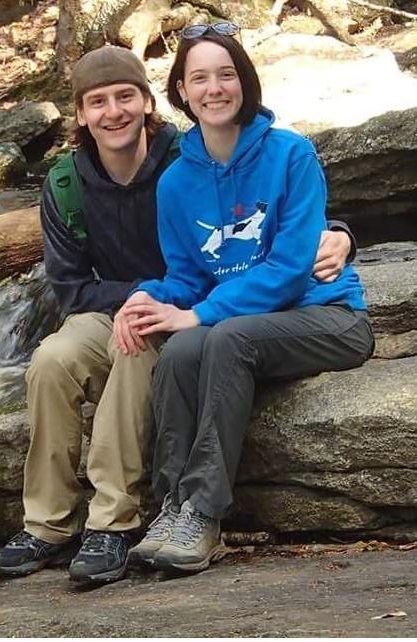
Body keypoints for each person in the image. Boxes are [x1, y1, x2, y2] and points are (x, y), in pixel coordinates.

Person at [0, 44, 357, 584]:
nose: (113, 112)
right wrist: (146, 298)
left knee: (139, 351)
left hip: (196, 309)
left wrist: (344, 234)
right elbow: (71, 290)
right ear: (81, 115)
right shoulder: (71, 183)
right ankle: (47, 525)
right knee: (51, 359)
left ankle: (114, 523)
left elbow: (288, 221)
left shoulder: (185, 155)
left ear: (149, 102)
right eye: (97, 102)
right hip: (140, 304)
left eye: (125, 97)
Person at [116, 23, 375, 575]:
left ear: (245, 82)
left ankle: (206, 515)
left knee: (222, 337)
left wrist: (201, 314)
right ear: (182, 92)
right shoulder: (175, 183)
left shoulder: (291, 154)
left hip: (326, 315)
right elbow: (185, 276)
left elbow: (287, 270)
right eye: (200, 78)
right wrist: (147, 300)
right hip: (252, 324)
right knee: (182, 352)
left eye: (227, 75)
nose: (215, 88)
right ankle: (173, 506)